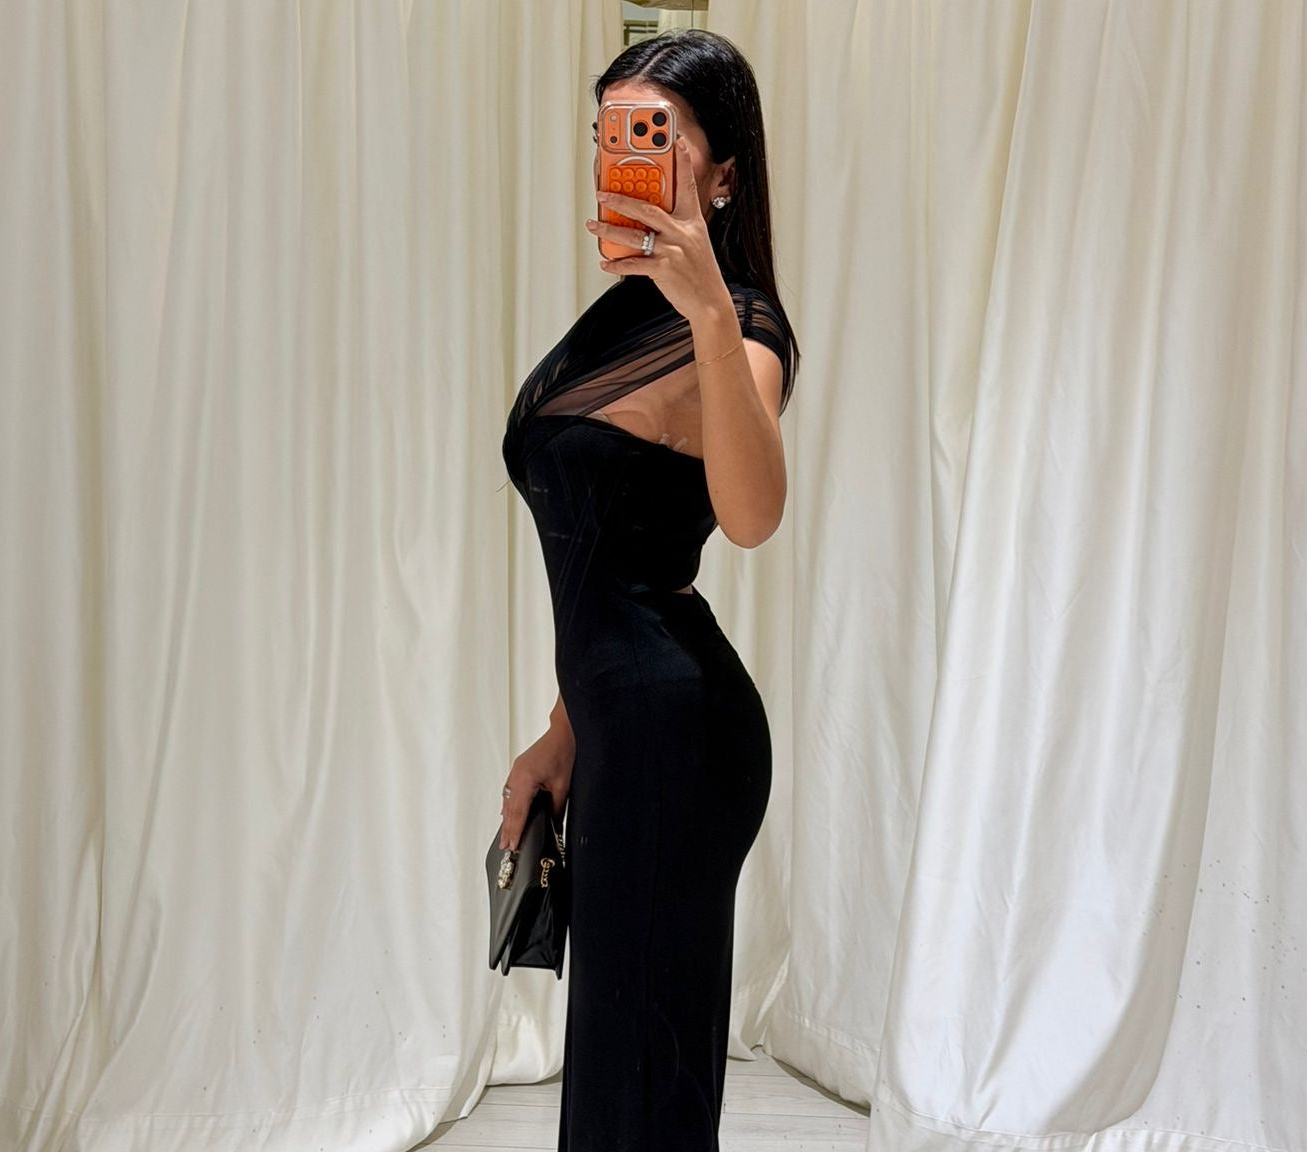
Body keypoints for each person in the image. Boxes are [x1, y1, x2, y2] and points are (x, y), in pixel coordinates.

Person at [497, 28, 801, 1152]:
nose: (618, 157)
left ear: (724, 176)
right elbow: (614, 558)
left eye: (654, 135)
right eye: (609, 134)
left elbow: (753, 516)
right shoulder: (617, 320)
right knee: (618, 1061)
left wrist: (711, 311)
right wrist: (561, 732)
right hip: (620, 724)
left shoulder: (743, 327)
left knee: (645, 1076)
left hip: (679, 737)